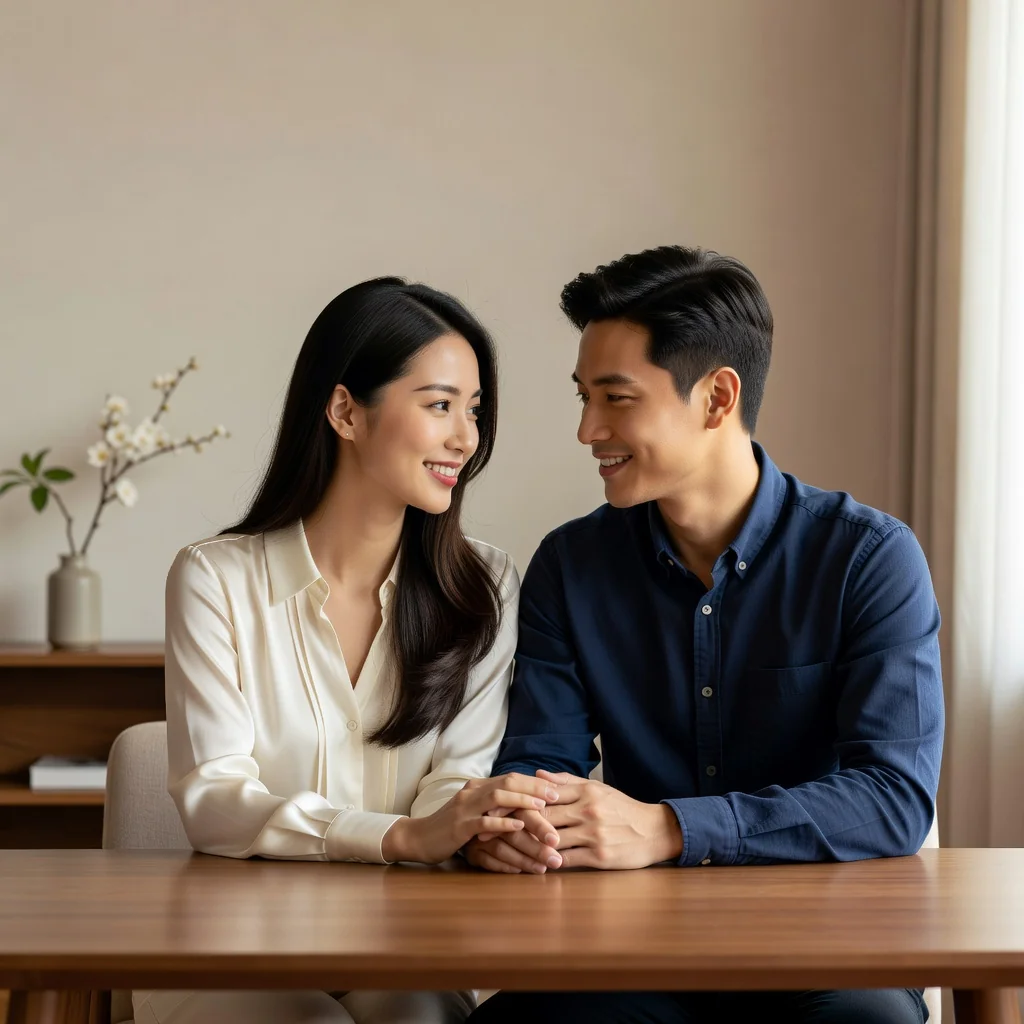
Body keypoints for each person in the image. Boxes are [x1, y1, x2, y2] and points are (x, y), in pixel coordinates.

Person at [465, 246, 943, 1024]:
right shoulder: (570, 565)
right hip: (624, 955)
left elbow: (892, 799)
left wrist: (670, 826)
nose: (588, 429)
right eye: (584, 397)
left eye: (616, 399)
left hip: (824, 954)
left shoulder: (867, 557)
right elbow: (540, 764)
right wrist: (521, 828)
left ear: (718, 397)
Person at [135, 278, 558, 1024]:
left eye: (474, 410)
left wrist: (470, 825)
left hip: (405, 943)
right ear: (344, 412)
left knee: (425, 1014)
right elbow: (215, 800)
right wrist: (399, 837)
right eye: (439, 405)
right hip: (235, 951)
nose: (467, 437)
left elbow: (459, 777)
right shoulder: (214, 579)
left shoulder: (483, 586)